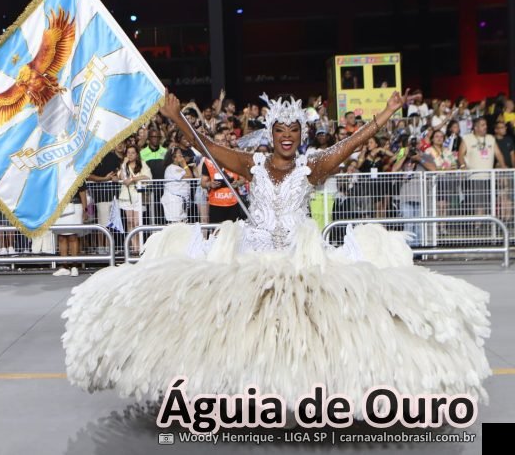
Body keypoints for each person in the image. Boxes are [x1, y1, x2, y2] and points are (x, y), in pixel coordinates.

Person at [62, 90, 489, 417]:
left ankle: (310, 397)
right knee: (240, 331)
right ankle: (233, 394)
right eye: (280, 131)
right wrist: (176, 118)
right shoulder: (251, 163)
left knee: (309, 333)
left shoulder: (314, 167)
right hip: (252, 257)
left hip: (301, 261)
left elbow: (355, 142)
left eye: (294, 132)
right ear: (272, 134)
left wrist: (388, 113)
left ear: (302, 135)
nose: (287, 137)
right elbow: (206, 145)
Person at [160, 147, 192, 223]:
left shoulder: (178, 168)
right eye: (179, 154)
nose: (182, 155)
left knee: (182, 224)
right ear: (173, 157)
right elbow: (189, 176)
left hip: (180, 200)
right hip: (173, 201)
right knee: (175, 225)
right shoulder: (171, 168)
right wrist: (184, 163)